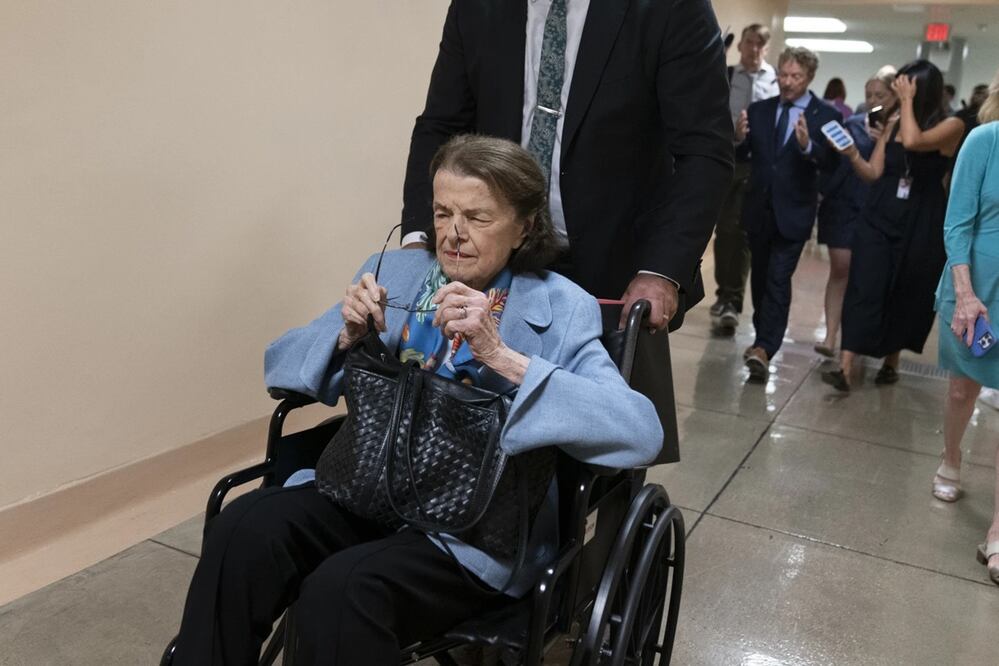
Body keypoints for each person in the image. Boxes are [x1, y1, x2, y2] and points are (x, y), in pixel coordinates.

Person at [169, 136, 663, 664]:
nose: (453, 233)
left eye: (477, 216)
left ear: (523, 227)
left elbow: (639, 430)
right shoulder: (393, 272)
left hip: (468, 529)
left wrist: (502, 356)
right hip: (363, 488)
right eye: (443, 211)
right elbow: (279, 365)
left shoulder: (562, 308)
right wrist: (344, 333)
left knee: (342, 592)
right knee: (242, 531)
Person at [401, 0, 734, 333]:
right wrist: (419, 241)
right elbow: (440, 127)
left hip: (614, 278)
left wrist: (661, 271)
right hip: (495, 262)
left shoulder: (671, 8)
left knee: (593, 385)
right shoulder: (476, 8)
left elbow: (703, 150)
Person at [821, 60, 965, 391]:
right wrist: (853, 153)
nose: (900, 89)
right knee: (864, 284)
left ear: (921, 88)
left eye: (906, 85)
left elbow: (914, 142)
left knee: (905, 289)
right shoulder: (894, 120)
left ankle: (891, 360)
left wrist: (905, 105)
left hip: (920, 219)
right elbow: (874, 172)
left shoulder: (952, 125)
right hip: (879, 214)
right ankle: (845, 367)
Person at [931, 70, 999, 586]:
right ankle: (951, 457)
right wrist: (967, 293)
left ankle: (998, 532)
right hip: (977, 285)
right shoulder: (984, 140)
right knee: (962, 390)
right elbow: (958, 222)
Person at [736, 46, 841, 380]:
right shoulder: (760, 110)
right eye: (783, 74)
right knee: (762, 279)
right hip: (759, 210)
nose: (787, 82)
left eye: (795, 76)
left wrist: (809, 145)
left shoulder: (825, 115)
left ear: (809, 77)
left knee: (779, 280)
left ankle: (766, 347)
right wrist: (738, 138)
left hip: (794, 214)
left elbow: (832, 163)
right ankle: (761, 341)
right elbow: (745, 153)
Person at [814, 68, 897, 358]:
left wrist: (885, 138)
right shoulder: (851, 124)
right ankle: (830, 334)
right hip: (843, 205)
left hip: (878, 209)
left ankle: (858, 341)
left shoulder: (901, 132)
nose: (873, 101)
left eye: (881, 96)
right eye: (869, 95)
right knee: (841, 268)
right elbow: (829, 164)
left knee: (868, 277)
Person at [710, 23, 780, 332]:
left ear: (766, 48)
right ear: (741, 46)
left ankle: (732, 300)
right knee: (724, 232)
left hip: (758, 166)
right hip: (727, 160)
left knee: (742, 232)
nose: (754, 49)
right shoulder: (725, 76)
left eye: (760, 44)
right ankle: (724, 292)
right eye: (750, 42)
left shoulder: (776, 82)